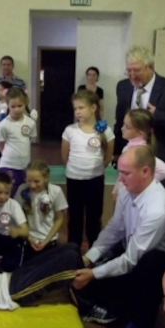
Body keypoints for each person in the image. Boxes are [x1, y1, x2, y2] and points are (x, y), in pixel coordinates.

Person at [71, 146, 165, 328]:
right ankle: (121, 303)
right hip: (138, 247)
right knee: (94, 286)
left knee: (147, 265)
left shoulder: (157, 209)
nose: (120, 179)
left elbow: (130, 260)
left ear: (145, 172)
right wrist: (88, 258)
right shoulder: (127, 190)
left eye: (126, 173)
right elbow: (114, 229)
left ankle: (142, 324)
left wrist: (93, 273)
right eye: (119, 172)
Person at [114, 45, 165, 194]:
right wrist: (117, 151)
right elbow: (119, 120)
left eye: (136, 70)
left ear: (150, 67)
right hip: (131, 160)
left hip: (160, 160)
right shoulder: (123, 87)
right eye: (129, 71)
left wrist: (158, 115)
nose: (132, 75)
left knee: (157, 204)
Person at [62, 89, 115, 248]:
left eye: (81, 108)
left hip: (95, 180)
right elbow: (65, 155)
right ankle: (73, 249)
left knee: (94, 217)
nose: (77, 112)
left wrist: (96, 169)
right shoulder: (70, 130)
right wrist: (75, 169)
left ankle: (94, 249)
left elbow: (108, 156)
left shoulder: (105, 131)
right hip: (74, 179)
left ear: (93, 107)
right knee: (75, 216)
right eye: (75, 108)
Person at [112, 108, 165, 199]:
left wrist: (142, 182)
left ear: (140, 133)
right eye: (123, 124)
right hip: (125, 191)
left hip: (134, 195)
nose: (122, 128)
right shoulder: (128, 147)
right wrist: (117, 189)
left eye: (127, 127)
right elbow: (122, 173)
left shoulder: (141, 151)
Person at [16, 159, 68, 261]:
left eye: (36, 181)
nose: (32, 185)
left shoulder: (55, 191)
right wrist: (29, 238)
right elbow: (16, 216)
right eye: (29, 181)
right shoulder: (22, 190)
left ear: (46, 178)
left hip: (49, 240)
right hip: (28, 240)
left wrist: (46, 241)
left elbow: (59, 219)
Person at [0, 86, 37, 195]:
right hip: (8, 165)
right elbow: (0, 144)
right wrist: (8, 156)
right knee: (7, 193)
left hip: (24, 165)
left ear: (25, 104)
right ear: (8, 105)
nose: (17, 109)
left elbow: (28, 140)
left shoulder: (30, 123)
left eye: (20, 106)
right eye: (13, 106)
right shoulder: (4, 125)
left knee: (23, 195)